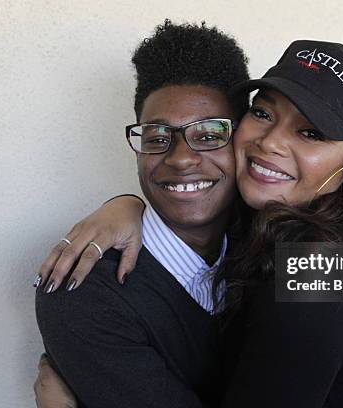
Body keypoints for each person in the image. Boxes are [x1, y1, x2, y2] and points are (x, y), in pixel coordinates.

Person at [34, 23, 343, 408]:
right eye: (264, 114)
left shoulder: (314, 273)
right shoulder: (259, 228)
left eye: (210, 134)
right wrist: (126, 204)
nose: (270, 143)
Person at [35, 20, 249, 408]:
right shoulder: (85, 290)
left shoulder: (270, 238)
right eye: (156, 137)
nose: (181, 158)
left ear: (243, 140)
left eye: (209, 134)